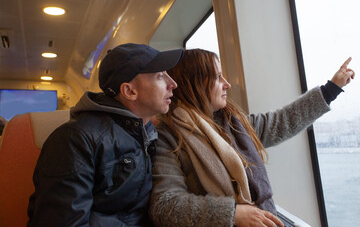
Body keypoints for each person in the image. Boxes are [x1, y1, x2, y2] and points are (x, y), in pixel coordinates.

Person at [149, 49, 355, 227]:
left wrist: (331, 89)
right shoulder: (169, 138)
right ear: (194, 84)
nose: (227, 84)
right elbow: (166, 205)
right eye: (217, 77)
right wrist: (232, 214)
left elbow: (281, 122)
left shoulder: (232, 123)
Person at [27, 43, 184, 227]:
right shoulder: (74, 140)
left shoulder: (149, 135)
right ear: (129, 91)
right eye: (160, 76)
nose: (173, 83)